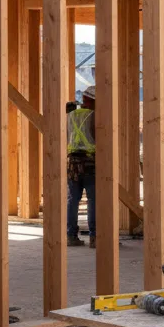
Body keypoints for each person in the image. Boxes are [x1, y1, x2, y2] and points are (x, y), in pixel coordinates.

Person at [66, 85, 96, 247]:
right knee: (93, 200)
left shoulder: (70, 116)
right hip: (89, 163)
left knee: (73, 200)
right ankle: (95, 237)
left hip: (73, 164)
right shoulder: (94, 116)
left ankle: (71, 236)